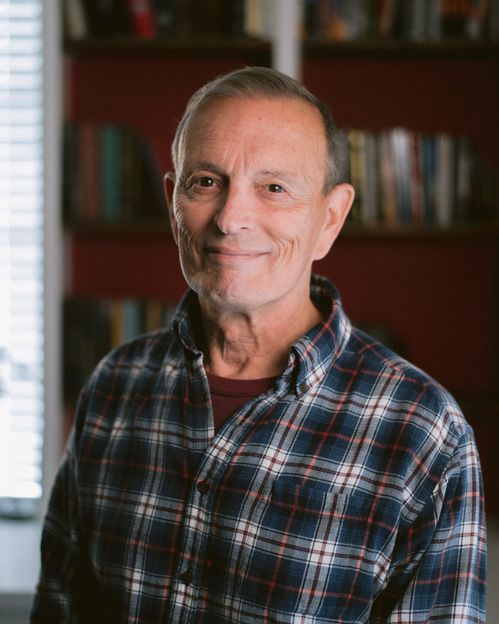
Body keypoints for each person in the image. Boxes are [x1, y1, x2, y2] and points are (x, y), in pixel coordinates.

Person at [31, 66, 486, 623]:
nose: (230, 219)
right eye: (206, 182)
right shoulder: (114, 386)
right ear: (173, 203)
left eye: (274, 188)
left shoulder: (423, 433)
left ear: (330, 218)